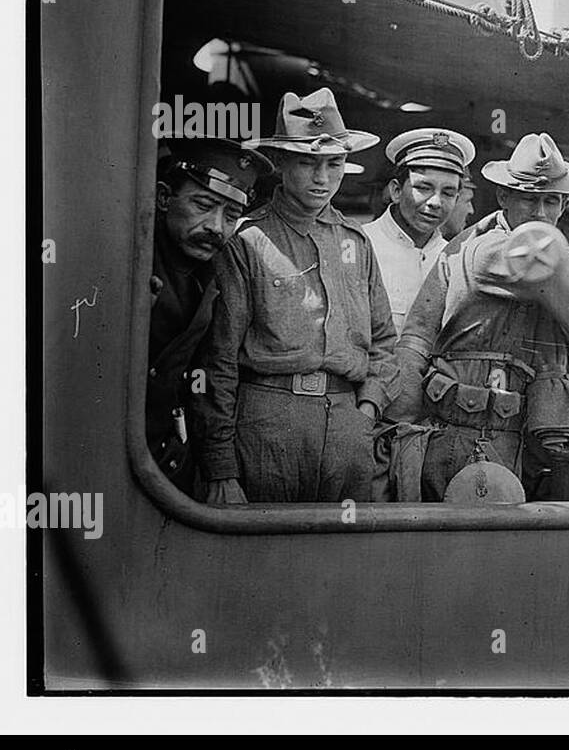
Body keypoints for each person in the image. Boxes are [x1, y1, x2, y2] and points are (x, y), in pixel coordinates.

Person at [387, 133, 569, 502]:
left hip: (517, 434)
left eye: (551, 201)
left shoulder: (535, 249)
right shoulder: (486, 250)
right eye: (528, 199)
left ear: (565, 203)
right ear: (504, 197)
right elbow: (543, 259)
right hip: (467, 437)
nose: (539, 213)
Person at [193, 88, 398, 505]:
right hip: (267, 426)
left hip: (347, 428)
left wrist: (367, 412)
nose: (322, 179)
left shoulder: (356, 242)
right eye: (307, 163)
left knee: (342, 563)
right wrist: (220, 464)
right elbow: (219, 358)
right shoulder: (248, 240)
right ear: (282, 163)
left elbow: (384, 343)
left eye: (334, 163)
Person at [147, 139, 272, 497]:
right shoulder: (132, 262)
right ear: (163, 198)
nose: (216, 227)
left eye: (231, 216)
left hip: (168, 462)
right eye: (203, 205)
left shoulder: (218, 271)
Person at [361, 127, 475, 334]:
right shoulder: (362, 245)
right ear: (396, 191)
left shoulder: (456, 259)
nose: (435, 202)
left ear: (457, 199)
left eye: (448, 193)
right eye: (423, 188)